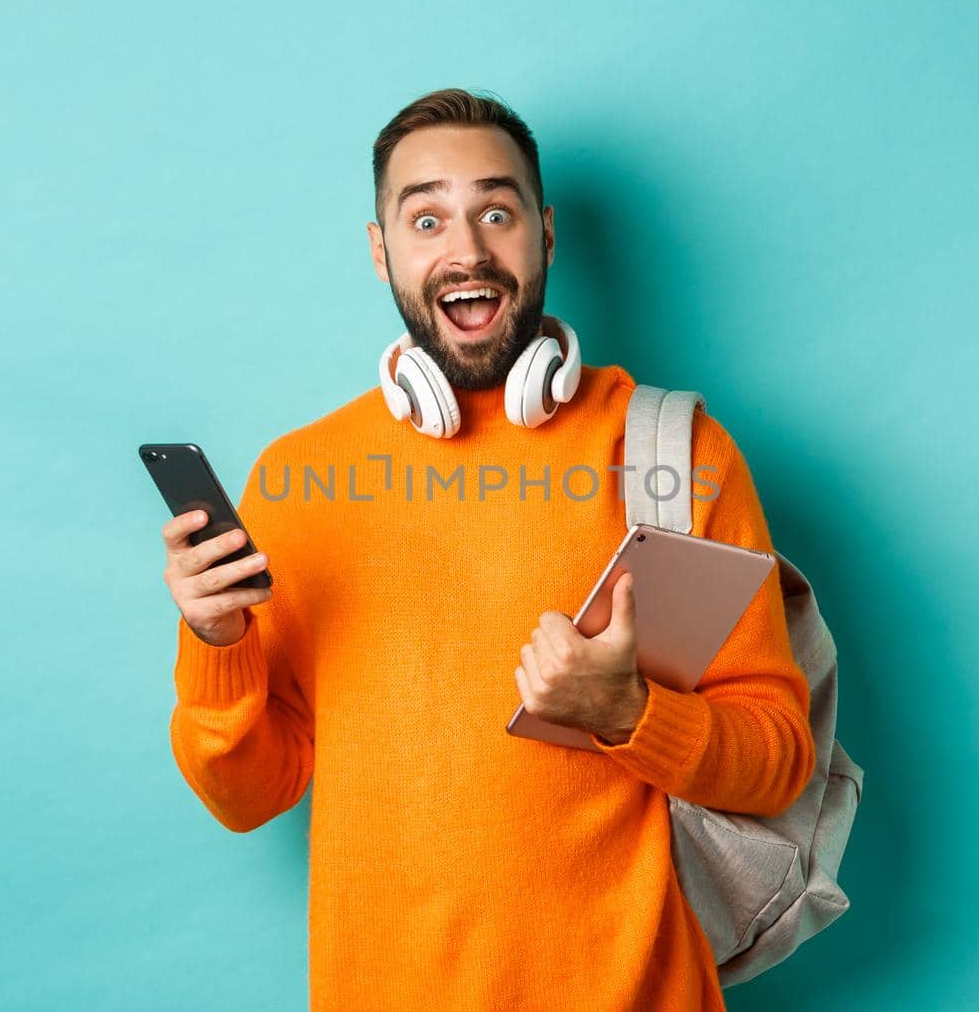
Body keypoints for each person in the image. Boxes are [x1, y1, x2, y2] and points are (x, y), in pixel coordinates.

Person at [160, 88, 815, 1012]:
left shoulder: (671, 453)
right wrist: (218, 640)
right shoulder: (299, 478)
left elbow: (779, 759)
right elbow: (248, 795)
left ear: (544, 233)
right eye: (425, 217)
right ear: (381, 249)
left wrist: (629, 710)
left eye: (496, 213)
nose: (465, 250)